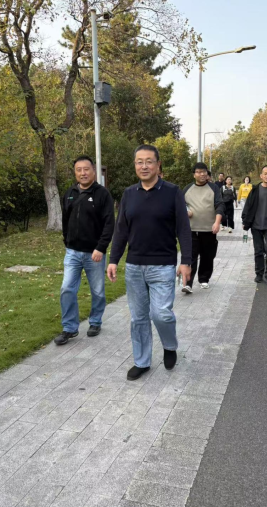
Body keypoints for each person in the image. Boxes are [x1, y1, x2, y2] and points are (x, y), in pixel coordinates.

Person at [107, 145, 191, 381]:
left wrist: (186, 261)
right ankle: (142, 361)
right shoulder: (129, 194)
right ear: (135, 165)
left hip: (163, 265)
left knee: (161, 314)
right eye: (139, 162)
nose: (144, 166)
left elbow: (183, 229)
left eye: (149, 161)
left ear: (158, 164)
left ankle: (169, 345)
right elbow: (121, 230)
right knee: (139, 318)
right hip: (134, 266)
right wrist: (113, 260)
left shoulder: (172, 192)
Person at [54, 156, 115, 345]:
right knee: (67, 289)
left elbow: (109, 224)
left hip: (94, 253)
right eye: (79, 170)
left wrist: (101, 247)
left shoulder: (102, 194)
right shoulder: (70, 193)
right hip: (72, 252)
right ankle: (69, 328)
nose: (83, 173)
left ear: (93, 171)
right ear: (75, 173)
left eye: (86, 169)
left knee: (97, 291)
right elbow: (65, 220)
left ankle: (95, 322)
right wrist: (67, 240)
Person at [182, 162, 225, 292]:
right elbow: (180, 204)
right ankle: (188, 283)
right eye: (199, 172)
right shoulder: (187, 189)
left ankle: (204, 279)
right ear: (194, 174)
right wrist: (186, 211)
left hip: (209, 229)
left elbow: (220, 205)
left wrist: (217, 222)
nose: (202, 174)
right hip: (192, 229)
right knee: (191, 257)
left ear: (207, 173)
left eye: (204, 172)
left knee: (208, 256)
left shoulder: (213, 188)